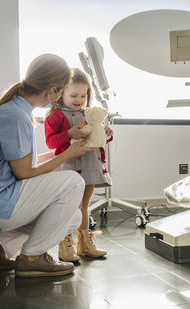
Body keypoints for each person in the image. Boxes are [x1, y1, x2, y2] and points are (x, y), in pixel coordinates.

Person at [0, 54, 95, 277]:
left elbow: (25, 164)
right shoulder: (16, 116)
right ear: (52, 90)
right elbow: (25, 173)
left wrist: (64, 151)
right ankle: (32, 257)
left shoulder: (15, 110)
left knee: (71, 217)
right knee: (74, 181)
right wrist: (69, 153)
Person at [44, 68, 113, 262]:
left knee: (84, 207)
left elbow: (97, 139)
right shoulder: (55, 115)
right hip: (68, 167)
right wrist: (68, 134)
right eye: (73, 95)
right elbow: (51, 142)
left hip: (89, 166)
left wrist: (106, 133)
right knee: (67, 207)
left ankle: (84, 243)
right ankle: (64, 243)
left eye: (83, 95)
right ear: (61, 93)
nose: (79, 99)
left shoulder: (89, 114)